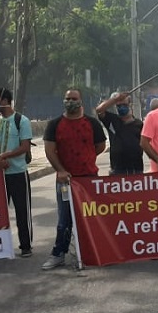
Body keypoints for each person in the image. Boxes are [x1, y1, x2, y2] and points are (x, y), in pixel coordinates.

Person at [42, 88, 107, 270]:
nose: (70, 101)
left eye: (74, 98)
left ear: (81, 101)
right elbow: (49, 150)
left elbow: (100, 146)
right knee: (65, 220)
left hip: (89, 179)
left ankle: (92, 252)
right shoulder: (55, 124)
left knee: (90, 217)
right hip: (66, 181)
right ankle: (58, 254)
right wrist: (61, 170)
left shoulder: (92, 123)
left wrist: (86, 158)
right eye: (67, 98)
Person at [0, 88, 34, 258]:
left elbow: (24, 146)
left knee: (22, 211)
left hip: (18, 173)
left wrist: (5, 155)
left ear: (5, 100)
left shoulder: (21, 120)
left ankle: (25, 245)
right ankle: (1, 246)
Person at [96, 91, 144, 175]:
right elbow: (99, 110)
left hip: (136, 170)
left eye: (124, 105)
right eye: (118, 106)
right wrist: (114, 99)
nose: (121, 108)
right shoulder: (111, 120)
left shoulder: (139, 124)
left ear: (130, 105)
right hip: (117, 170)